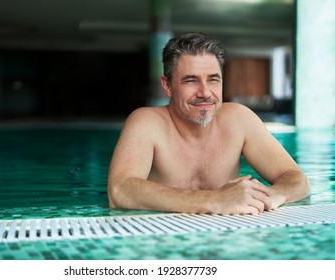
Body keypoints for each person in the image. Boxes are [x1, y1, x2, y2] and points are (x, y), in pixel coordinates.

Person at [107, 32, 310, 215]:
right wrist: (214, 200)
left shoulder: (239, 120)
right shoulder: (147, 123)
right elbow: (120, 191)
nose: (205, 92)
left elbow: (297, 179)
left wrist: (269, 197)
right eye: (191, 80)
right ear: (167, 86)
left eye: (213, 80)